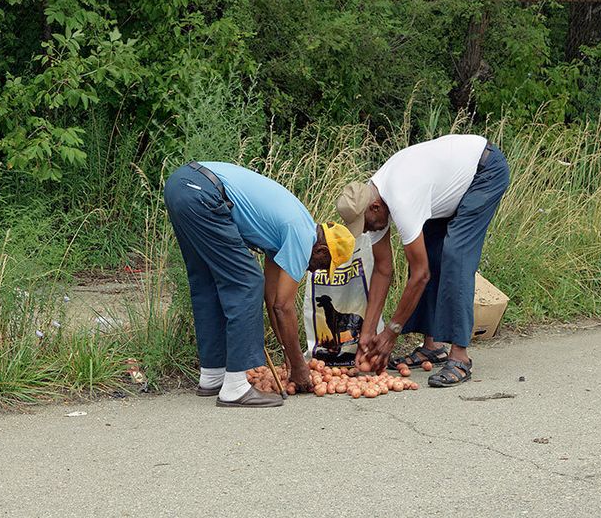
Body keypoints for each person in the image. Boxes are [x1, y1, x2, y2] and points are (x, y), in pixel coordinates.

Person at [164, 160, 354, 407]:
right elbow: (283, 307)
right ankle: (235, 388)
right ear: (320, 250)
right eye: (322, 264)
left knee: (208, 283)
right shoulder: (303, 235)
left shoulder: (286, 233)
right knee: (247, 283)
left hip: (182, 186)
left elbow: (273, 300)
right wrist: (298, 365)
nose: (314, 270)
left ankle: (213, 375)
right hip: (203, 193)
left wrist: (289, 355)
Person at [336, 134, 510, 387]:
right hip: (447, 186)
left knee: (455, 253)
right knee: (427, 250)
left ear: (375, 208)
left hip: (484, 172)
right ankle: (433, 347)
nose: (364, 231)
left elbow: (421, 275)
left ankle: (460, 357)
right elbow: (383, 271)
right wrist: (367, 334)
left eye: (364, 225)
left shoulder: (401, 199)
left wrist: (391, 332)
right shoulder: (373, 199)